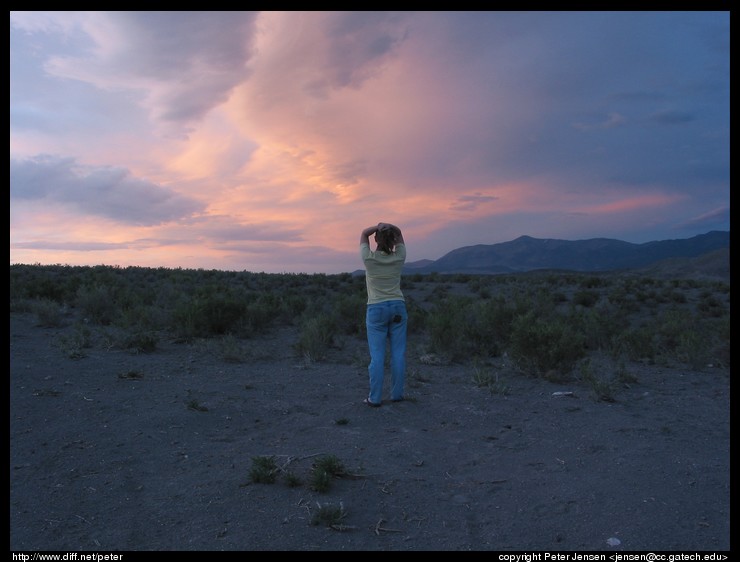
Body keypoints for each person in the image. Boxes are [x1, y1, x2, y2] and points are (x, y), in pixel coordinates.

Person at [359, 222, 408, 407]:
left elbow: (364, 233)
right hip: (398, 307)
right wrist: (390, 226)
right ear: (394, 240)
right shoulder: (399, 257)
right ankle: (397, 395)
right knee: (398, 354)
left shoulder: (369, 259)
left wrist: (377, 226)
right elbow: (400, 232)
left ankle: (375, 398)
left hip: (376, 309)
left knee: (377, 356)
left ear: (376, 239)